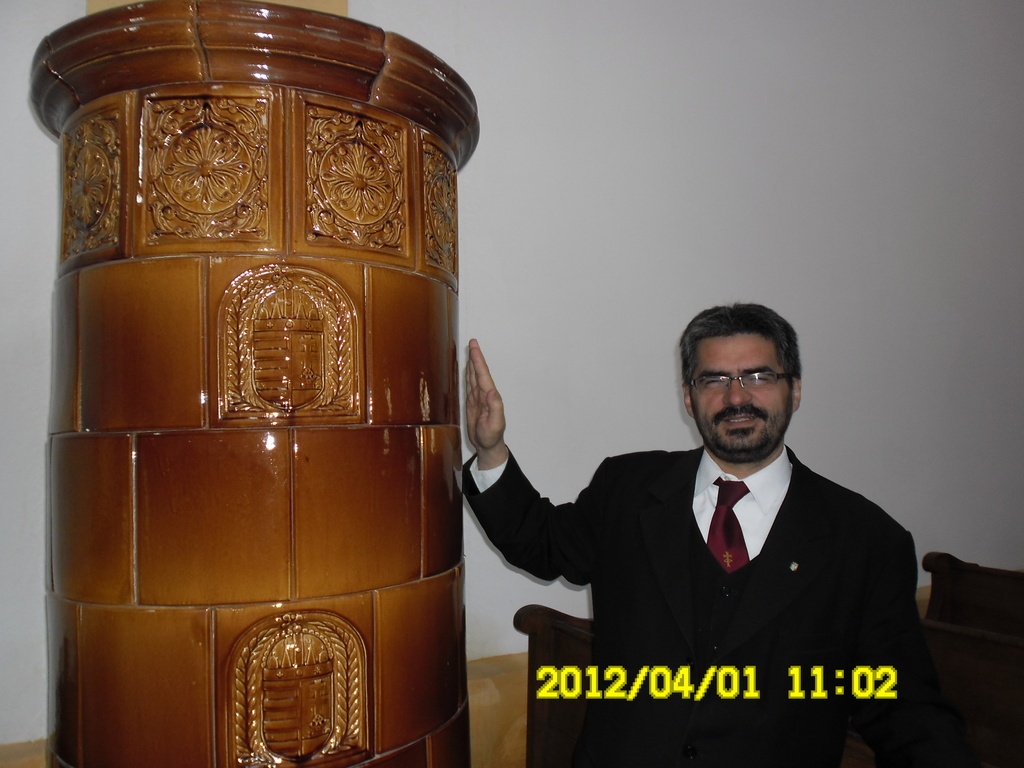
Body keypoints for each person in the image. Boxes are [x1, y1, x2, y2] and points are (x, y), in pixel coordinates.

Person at [463, 303, 979, 767]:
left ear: (795, 390)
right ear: (689, 399)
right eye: (713, 380)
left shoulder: (867, 541)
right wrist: (490, 450)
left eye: (758, 376)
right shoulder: (627, 488)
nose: (736, 396)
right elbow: (542, 542)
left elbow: (905, 711)